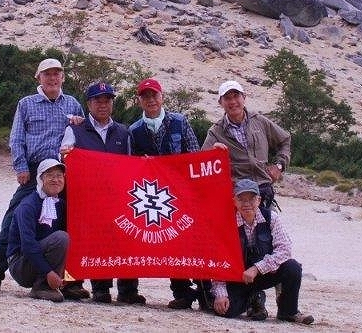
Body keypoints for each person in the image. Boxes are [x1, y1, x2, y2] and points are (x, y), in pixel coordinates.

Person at [0, 58, 88, 300]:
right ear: (38, 77)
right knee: (13, 220)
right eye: (47, 74)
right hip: (34, 172)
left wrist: (80, 124)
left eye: (56, 74)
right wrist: (21, 167)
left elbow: (83, 136)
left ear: (63, 77)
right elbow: (16, 138)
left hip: (63, 173)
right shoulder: (26, 104)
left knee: (70, 224)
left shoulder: (73, 104)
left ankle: (71, 283)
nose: (52, 78)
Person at [60, 81, 146, 305]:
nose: (103, 104)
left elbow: (132, 164)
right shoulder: (75, 129)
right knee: (96, 240)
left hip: (118, 196)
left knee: (125, 239)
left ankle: (128, 289)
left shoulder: (124, 132)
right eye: (97, 100)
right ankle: (101, 289)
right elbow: (64, 158)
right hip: (87, 197)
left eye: (107, 100)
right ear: (88, 104)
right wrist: (67, 155)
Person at [128, 77, 204, 310]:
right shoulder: (134, 130)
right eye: (145, 96)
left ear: (162, 97)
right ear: (139, 101)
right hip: (152, 195)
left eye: (154, 95)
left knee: (185, 240)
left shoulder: (180, 121)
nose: (150, 100)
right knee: (163, 239)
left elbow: (194, 155)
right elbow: (129, 166)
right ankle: (179, 291)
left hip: (181, 192)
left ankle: (199, 289)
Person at [211, 178, 314, 325]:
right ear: (234, 201)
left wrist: (257, 268)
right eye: (241, 199)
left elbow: (285, 250)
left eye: (251, 199)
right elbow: (219, 261)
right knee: (225, 311)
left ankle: (288, 312)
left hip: (265, 274)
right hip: (238, 279)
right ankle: (254, 298)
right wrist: (220, 294)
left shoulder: (271, 218)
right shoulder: (226, 224)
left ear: (259, 200)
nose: (246, 204)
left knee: (293, 267)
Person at [202, 80, 291, 209]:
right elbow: (202, 164)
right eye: (227, 98)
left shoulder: (259, 121)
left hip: (263, 189)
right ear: (220, 102)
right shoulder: (215, 132)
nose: (233, 101)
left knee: (271, 221)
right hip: (237, 196)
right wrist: (213, 153)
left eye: (236, 96)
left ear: (244, 97)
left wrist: (279, 165)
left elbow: (285, 140)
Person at [7, 158, 69, 302]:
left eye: (59, 176)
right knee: (61, 238)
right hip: (21, 264)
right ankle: (43, 286)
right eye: (50, 175)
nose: (56, 180)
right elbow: (28, 245)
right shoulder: (28, 206)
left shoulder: (60, 204)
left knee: (67, 236)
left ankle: (58, 284)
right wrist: (48, 272)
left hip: (39, 259)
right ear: (40, 179)